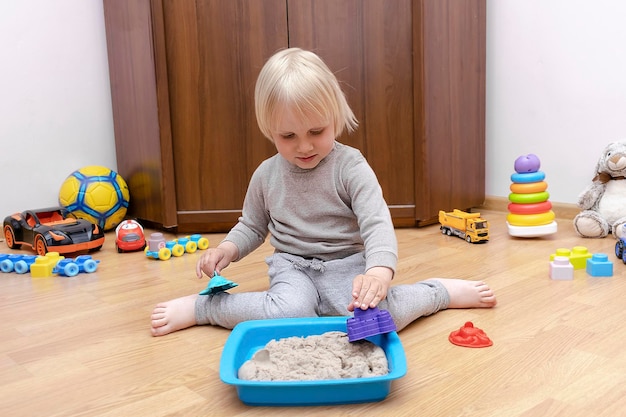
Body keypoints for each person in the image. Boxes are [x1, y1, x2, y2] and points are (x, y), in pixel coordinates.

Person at [150, 48, 497, 337]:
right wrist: (227, 248)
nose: (304, 146)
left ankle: (438, 293)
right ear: (269, 130)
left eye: (317, 131)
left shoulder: (351, 167)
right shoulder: (266, 174)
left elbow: (376, 225)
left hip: (348, 265)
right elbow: (253, 226)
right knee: (287, 314)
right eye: (288, 137)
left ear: (334, 116)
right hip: (293, 267)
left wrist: (378, 272)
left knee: (377, 322)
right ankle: (203, 308)